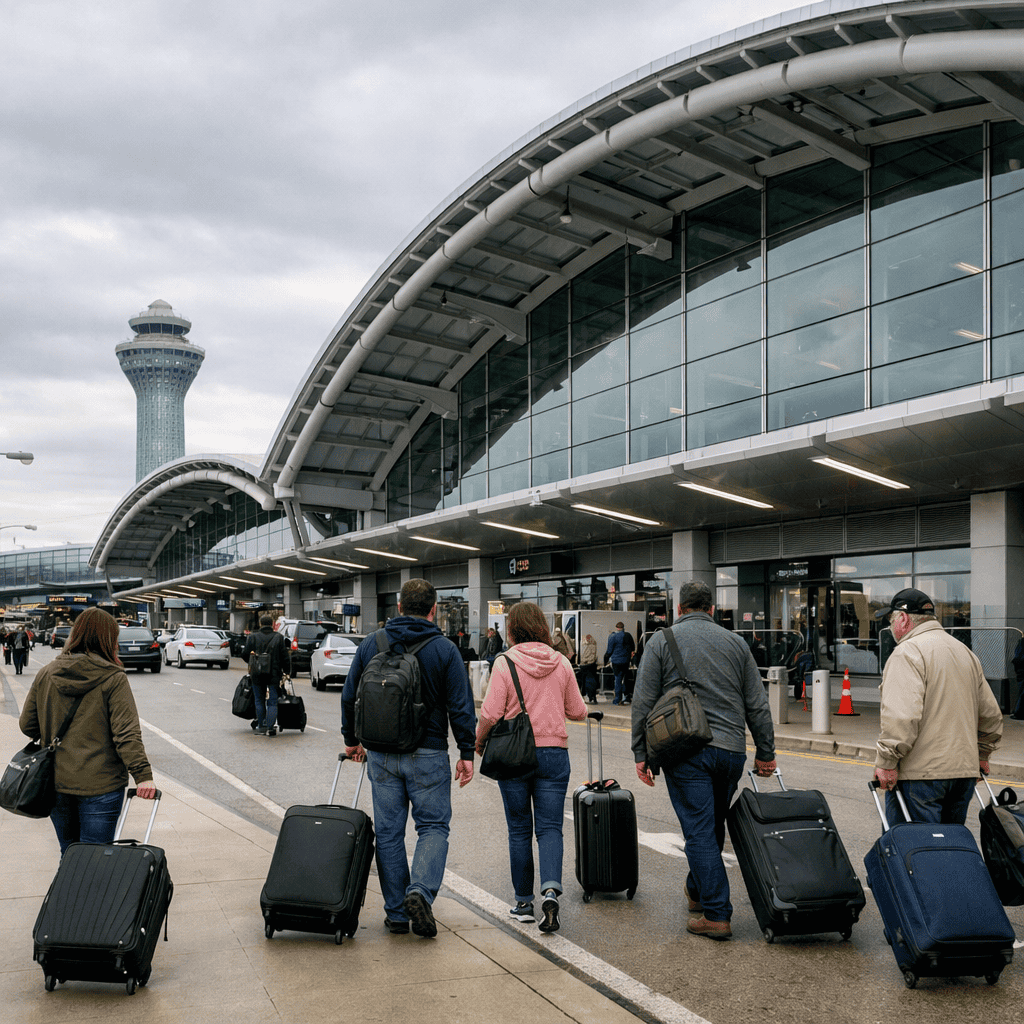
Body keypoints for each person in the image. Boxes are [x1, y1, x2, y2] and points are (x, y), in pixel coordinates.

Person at [631, 581, 776, 941]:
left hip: (686, 750)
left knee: (698, 830)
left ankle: (716, 913)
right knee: (710, 826)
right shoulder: (737, 643)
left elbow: (643, 701)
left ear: (679, 608)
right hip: (730, 752)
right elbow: (757, 703)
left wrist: (641, 753)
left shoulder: (661, 641)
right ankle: (697, 892)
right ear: (712, 609)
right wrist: (766, 752)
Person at [342, 579, 476, 938]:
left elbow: (349, 694)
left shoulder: (373, 643)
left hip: (382, 755)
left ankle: (398, 913)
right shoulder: (445, 649)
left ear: (398, 607)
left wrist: (351, 741)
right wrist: (466, 752)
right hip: (429, 752)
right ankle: (421, 890)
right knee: (433, 826)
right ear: (433, 610)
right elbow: (461, 708)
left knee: (388, 833)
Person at [475, 602, 587, 933]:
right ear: (540, 627)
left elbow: (491, 713)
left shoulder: (504, 662)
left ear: (512, 630)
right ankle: (551, 891)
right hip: (554, 754)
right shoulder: (562, 662)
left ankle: (524, 903)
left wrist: (479, 743)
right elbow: (578, 711)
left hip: (513, 754)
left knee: (520, 829)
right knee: (550, 828)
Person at [19, 607, 157, 855]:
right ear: (108, 639)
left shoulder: (47, 673)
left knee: (69, 853)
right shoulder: (113, 677)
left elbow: (27, 726)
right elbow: (126, 734)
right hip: (101, 785)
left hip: (57, 783)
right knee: (95, 861)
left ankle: (66, 895)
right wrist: (143, 775)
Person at [872, 588, 1003, 826]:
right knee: (949, 850)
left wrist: (887, 762)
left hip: (921, 776)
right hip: (963, 774)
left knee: (913, 853)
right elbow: (991, 715)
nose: (891, 627)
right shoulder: (964, 652)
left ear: (903, 618)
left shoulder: (907, 652)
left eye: (891, 620)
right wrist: (982, 754)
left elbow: (902, 717)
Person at [242, 613, 288, 736]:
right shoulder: (278, 637)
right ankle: (270, 727)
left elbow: (244, 654)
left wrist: (252, 663)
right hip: (274, 674)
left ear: (261, 624)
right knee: (273, 701)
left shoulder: (252, 637)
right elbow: (285, 657)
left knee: (259, 700)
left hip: (257, 674)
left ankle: (261, 725)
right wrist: (287, 671)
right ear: (272, 624)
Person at [603, 621, 635, 705]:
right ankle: (627, 697)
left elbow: (609, 651)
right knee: (625, 678)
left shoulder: (612, 636)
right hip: (626, 661)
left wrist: (605, 659)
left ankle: (617, 699)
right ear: (623, 628)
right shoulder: (628, 635)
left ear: (616, 627)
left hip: (616, 661)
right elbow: (633, 647)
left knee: (617, 679)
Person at [579, 633, 599, 704]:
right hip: (592, 665)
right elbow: (595, 655)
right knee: (592, 681)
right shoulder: (594, 644)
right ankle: (593, 696)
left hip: (584, 665)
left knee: (583, 682)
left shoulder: (583, 645)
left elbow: (583, 655)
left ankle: (585, 696)